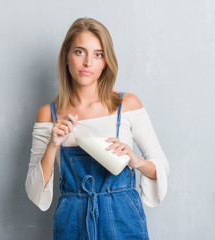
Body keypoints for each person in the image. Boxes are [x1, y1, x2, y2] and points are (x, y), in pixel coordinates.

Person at [25, 17, 169, 240]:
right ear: (66, 57)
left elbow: (160, 166)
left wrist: (135, 161)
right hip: (72, 220)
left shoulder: (127, 105)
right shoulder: (48, 114)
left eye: (98, 54)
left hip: (123, 217)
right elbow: (35, 191)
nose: (88, 63)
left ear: (106, 62)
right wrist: (53, 146)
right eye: (80, 52)